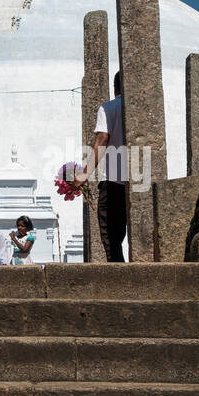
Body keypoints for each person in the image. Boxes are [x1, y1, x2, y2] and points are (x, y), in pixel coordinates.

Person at [76, 70, 127, 263]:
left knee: (110, 235)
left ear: (115, 89)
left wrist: (84, 173)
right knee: (121, 232)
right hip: (139, 177)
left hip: (113, 179)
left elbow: (102, 139)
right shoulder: (140, 108)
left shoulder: (109, 108)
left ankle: (119, 275)